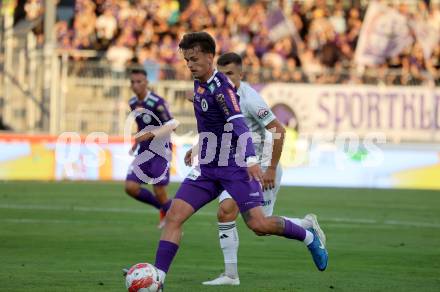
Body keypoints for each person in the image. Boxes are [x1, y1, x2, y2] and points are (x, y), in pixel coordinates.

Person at [152, 32, 328, 286]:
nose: (189, 65)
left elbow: (239, 125)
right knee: (174, 216)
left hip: (236, 168)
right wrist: (199, 145)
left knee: (259, 225)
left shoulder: (223, 90)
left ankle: (308, 236)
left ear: (210, 57)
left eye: (194, 59)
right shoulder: (199, 82)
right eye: (187, 60)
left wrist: (252, 160)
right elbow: (213, 123)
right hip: (209, 167)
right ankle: (158, 277)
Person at [202, 52, 325, 286]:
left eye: (230, 74)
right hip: (237, 169)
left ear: (241, 74)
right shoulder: (220, 94)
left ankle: (308, 230)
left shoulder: (250, 99)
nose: (225, 79)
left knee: (261, 226)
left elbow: (279, 130)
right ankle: (230, 275)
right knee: (227, 212)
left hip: (260, 168)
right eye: (222, 74)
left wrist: (270, 169)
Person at [125, 68, 176, 228]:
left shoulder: (157, 102)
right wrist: (136, 143)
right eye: (133, 82)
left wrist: (149, 135)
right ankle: (165, 208)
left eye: (139, 81)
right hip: (144, 151)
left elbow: (172, 125)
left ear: (146, 83)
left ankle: (174, 223)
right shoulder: (133, 103)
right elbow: (141, 126)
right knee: (130, 187)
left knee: (159, 190)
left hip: (161, 151)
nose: (135, 85)